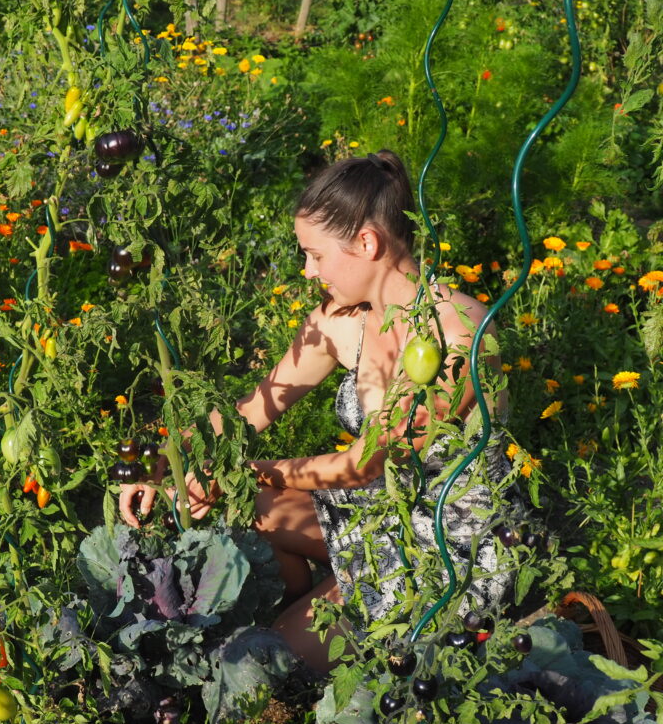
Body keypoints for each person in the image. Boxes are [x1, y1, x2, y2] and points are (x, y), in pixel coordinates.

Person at [118, 149, 512, 672]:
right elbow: (249, 412)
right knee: (244, 505)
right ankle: (316, 596)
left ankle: (322, 617)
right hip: (374, 517)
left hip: (446, 544)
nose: (307, 271)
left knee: (259, 664)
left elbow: (365, 464)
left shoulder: (460, 333)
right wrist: (162, 462)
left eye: (316, 254)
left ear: (366, 243)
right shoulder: (338, 321)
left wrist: (245, 472)